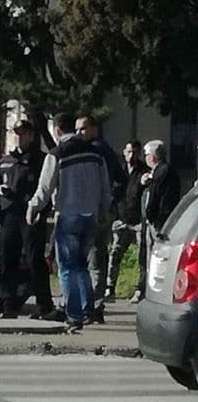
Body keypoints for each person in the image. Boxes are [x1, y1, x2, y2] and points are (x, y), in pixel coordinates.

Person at [27, 112, 111, 331]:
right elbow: (105, 186)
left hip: (68, 215)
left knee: (66, 268)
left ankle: (73, 316)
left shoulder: (56, 154)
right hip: (91, 217)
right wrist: (103, 209)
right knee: (82, 265)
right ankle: (87, 308)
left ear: (57, 130)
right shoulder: (95, 153)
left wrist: (33, 208)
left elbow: (44, 189)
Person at [0, 121, 54, 319]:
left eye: (24, 133)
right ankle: (9, 304)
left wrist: (39, 209)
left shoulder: (40, 159)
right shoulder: (6, 159)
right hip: (9, 213)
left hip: (30, 214)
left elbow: (46, 186)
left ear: (31, 135)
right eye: (17, 133)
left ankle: (44, 304)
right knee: (7, 258)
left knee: (34, 259)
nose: (20, 137)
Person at [75, 114, 126, 319]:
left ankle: (94, 305)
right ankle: (88, 302)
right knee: (83, 259)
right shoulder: (83, 150)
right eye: (77, 129)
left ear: (94, 129)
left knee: (95, 258)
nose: (79, 133)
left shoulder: (100, 150)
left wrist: (108, 204)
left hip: (98, 214)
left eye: (83, 128)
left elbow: (121, 180)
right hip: (82, 212)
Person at [134, 139, 181, 301]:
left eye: (146, 154)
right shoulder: (157, 172)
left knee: (156, 258)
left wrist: (153, 217)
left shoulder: (163, 172)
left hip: (159, 222)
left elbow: (158, 198)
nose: (145, 157)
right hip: (155, 220)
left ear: (153, 156)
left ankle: (153, 291)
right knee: (149, 256)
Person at [104, 140, 146, 302]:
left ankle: (140, 289)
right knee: (114, 254)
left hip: (138, 221)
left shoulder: (144, 172)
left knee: (142, 258)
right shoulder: (118, 170)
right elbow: (111, 195)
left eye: (135, 152)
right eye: (129, 152)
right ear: (124, 152)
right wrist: (112, 216)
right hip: (121, 219)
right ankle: (110, 287)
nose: (132, 155)